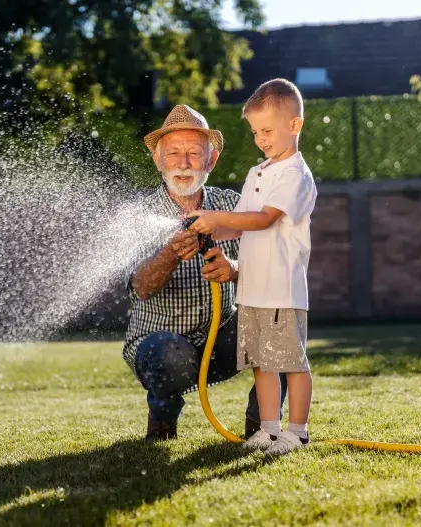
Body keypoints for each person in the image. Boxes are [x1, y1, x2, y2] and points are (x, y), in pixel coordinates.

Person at [123, 104, 287, 443]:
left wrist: (235, 269)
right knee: (167, 352)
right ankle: (162, 424)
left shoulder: (233, 206)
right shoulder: (139, 215)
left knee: (277, 323)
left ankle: (262, 431)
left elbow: (274, 267)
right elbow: (140, 287)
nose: (183, 164)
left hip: (221, 340)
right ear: (158, 160)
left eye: (194, 154)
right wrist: (169, 254)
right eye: (173, 154)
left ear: (210, 161)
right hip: (160, 347)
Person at [187, 79, 318, 458]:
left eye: (268, 130)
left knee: (291, 363)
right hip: (253, 290)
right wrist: (207, 224)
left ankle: (298, 432)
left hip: (281, 289)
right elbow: (238, 223)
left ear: (294, 126)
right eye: (256, 132)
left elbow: (263, 220)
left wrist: (216, 217)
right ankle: (269, 430)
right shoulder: (257, 172)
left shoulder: (295, 174)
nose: (261, 139)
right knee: (262, 364)